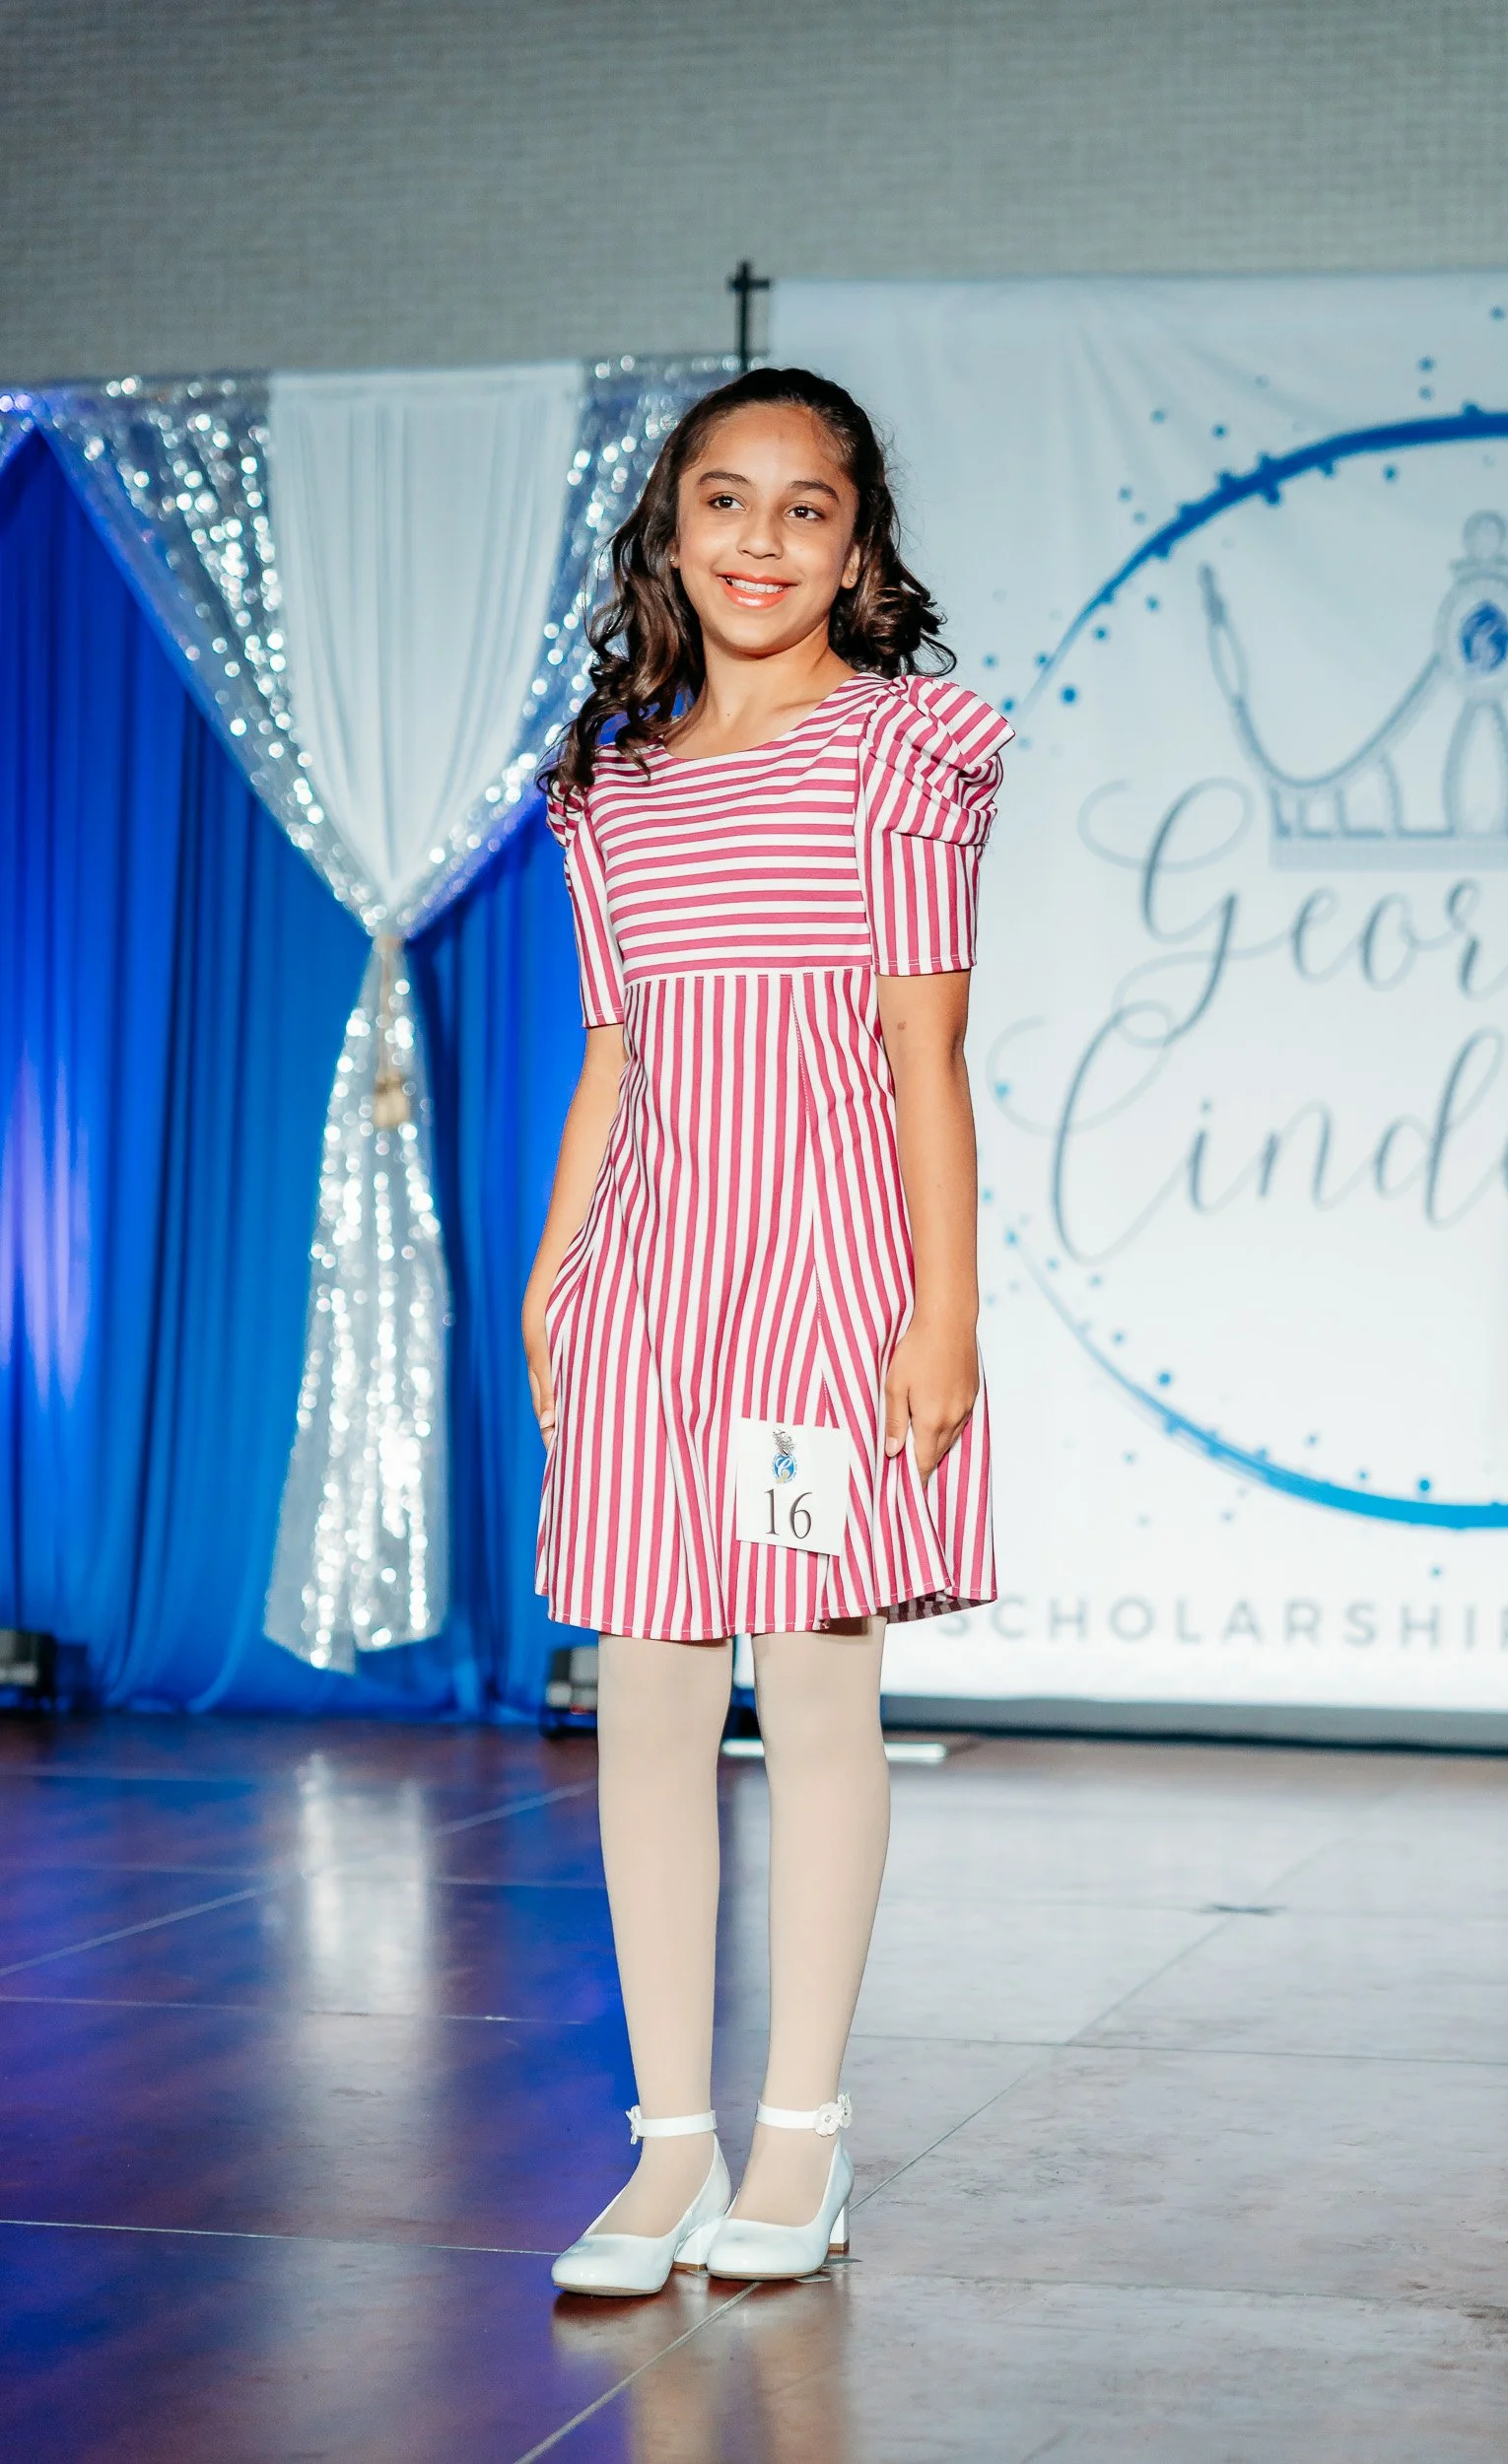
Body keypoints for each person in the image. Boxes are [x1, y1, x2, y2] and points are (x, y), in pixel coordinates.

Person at [521, 367, 1009, 2295]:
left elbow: (925, 1047)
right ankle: (668, 2143)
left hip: (817, 1289)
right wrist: (558, 1283)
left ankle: (798, 2132)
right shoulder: (606, 782)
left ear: (854, 543)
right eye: (721, 500)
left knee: (811, 1694)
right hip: (644, 1287)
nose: (756, 538)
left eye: (802, 507)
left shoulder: (902, 750)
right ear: (670, 529)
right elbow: (609, 1054)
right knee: (642, 1693)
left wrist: (941, 1305)